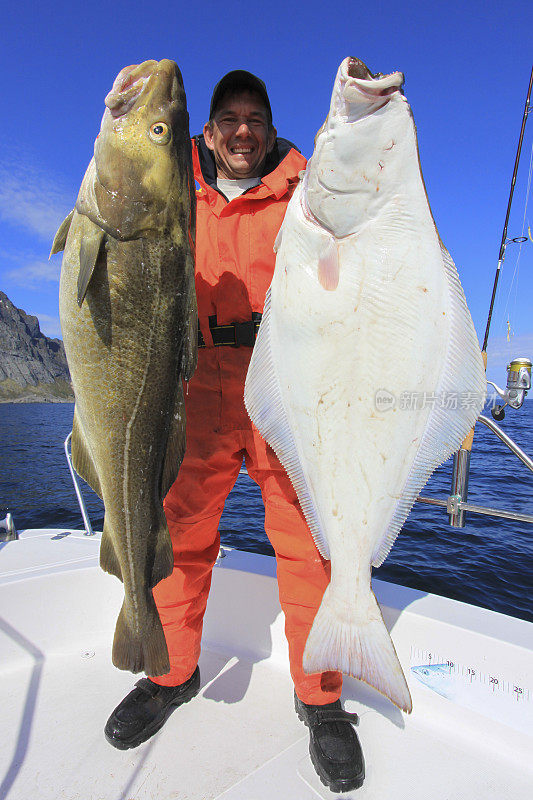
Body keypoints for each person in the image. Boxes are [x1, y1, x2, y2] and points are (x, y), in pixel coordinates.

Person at [104, 70, 365, 793]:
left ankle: (321, 699)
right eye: (228, 118)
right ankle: (168, 675)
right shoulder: (167, 185)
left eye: (255, 118)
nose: (242, 130)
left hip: (285, 385)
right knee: (176, 539)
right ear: (210, 130)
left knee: (309, 548)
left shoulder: (308, 188)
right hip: (194, 387)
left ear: (270, 127)